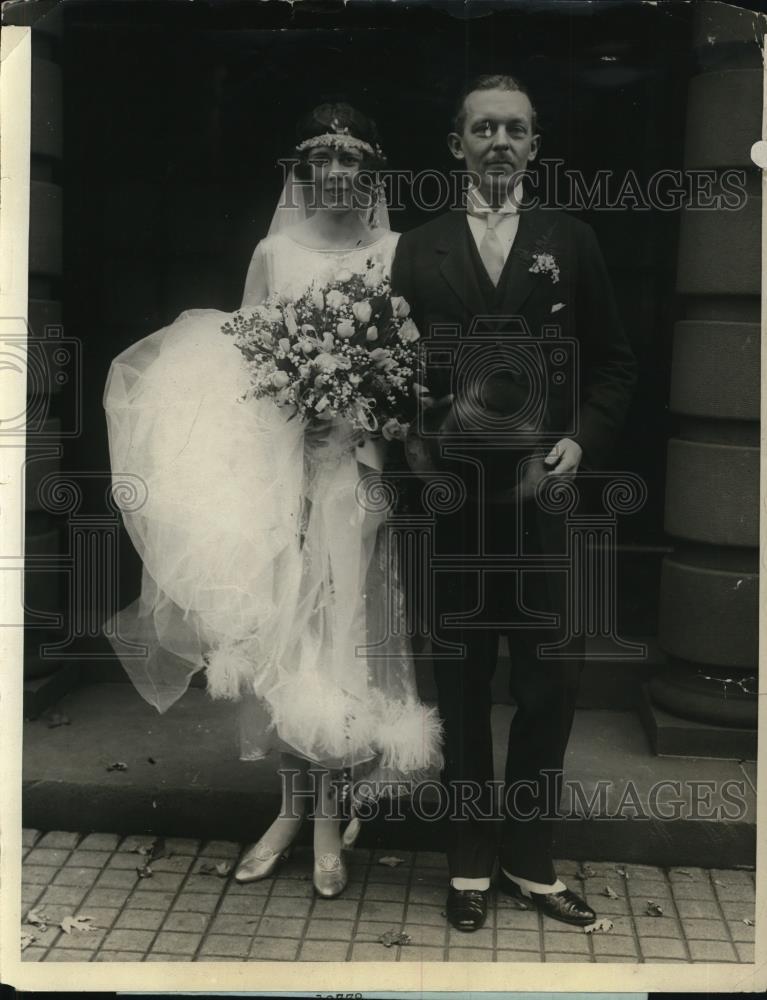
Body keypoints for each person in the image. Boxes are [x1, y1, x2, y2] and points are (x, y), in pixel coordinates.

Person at [103, 102, 442, 901]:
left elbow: (408, 370)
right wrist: (298, 407)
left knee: (341, 640)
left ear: (370, 173)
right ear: (302, 170)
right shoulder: (273, 254)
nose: (337, 173)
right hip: (279, 474)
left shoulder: (396, 253)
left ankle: (327, 827)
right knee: (284, 642)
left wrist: (358, 409)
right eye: (322, 159)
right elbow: (241, 376)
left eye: (352, 160)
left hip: (353, 474)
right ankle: (290, 815)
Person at [391, 74, 637, 932]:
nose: (500, 141)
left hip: (543, 506)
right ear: (455, 144)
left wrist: (583, 441)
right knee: (456, 683)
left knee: (548, 685)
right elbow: (392, 376)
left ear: (535, 146)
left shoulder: (568, 240)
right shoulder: (415, 249)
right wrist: (415, 451)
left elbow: (613, 362)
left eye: (516, 130)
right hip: (453, 510)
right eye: (483, 128)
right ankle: (466, 862)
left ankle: (529, 862)